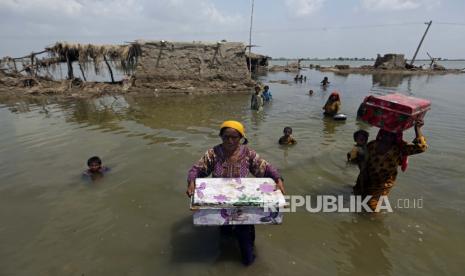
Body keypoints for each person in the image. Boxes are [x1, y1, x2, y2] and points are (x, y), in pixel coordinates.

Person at [186, 121, 285, 265]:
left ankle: (248, 262)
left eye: (234, 137)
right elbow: (197, 169)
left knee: (245, 234)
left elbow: (265, 167)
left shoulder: (248, 154)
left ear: (241, 138)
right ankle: (225, 253)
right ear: (221, 136)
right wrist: (191, 181)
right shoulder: (213, 153)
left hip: (243, 200)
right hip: (220, 200)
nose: (230, 141)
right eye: (226, 137)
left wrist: (278, 179)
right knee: (224, 232)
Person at [353, 120, 427, 211]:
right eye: (385, 133)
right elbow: (362, 159)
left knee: (371, 208)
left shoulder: (399, 149)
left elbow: (421, 147)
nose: (387, 137)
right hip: (365, 179)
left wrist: (417, 128)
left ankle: (376, 223)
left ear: (395, 137)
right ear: (381, 133)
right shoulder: (372, 144)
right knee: (357, 198)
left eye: (391, 135)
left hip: (381, 185)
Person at [347, 130, 369, 195]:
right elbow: (351, 158)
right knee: (361, 185)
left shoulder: (367, 146)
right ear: (355, 139)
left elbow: (350, 156)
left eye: (363, 138)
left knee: (361, 185)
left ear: (366, 139)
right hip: (363, 170)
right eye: (360, 138)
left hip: (366, 169)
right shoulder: (357, 148)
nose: (362, 139)